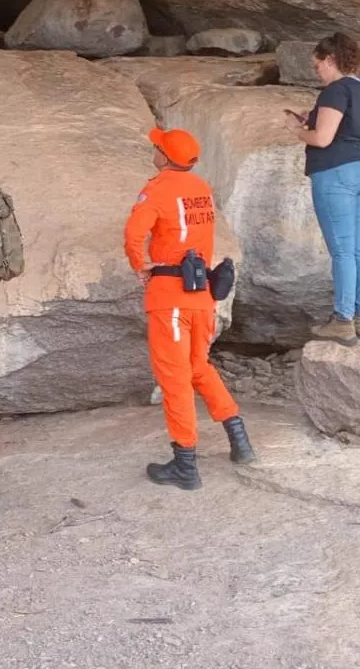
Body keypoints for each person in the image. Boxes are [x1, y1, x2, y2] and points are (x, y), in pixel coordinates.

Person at [123, 127, 256, 491]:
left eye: (156, 147)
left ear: (165, 157)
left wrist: (140, 264)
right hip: (202, 296)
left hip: (171, 297)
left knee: (175, 379)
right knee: (199, 367)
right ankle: (239, 439)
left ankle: (185, 463)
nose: (153, 149)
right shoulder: (201, 189)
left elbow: (134, 234)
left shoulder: (157, 190)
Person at [284, 32, 360, 346]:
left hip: (336, 172)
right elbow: (347, 128)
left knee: (341, 251)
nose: (317, 72)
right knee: (359, 249)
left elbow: (322, 139)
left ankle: (342, 321)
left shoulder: (335, 90)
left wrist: (297, 130)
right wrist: (313, 119)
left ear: (331, 59)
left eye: (318, 65)